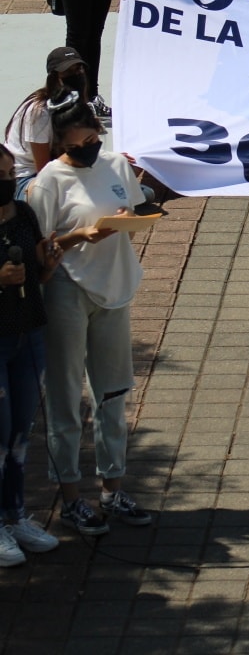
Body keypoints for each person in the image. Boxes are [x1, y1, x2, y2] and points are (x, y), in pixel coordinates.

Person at [27, 93, 151, 535]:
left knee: (113, 394)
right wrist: (82, 234)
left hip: (113, 289)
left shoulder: (116, 165)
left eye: (94, 138)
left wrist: (128, 218)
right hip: (67, 291)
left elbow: (136, 208)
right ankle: (72, 497)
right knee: (65, 397)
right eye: (79, 144)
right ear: (63, 144)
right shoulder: (49, 182)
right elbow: (41, 249)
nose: (90, 147)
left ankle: (112, 487)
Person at [0, 144, 62, 566]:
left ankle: (15, 514)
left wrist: (48, 265)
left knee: (21, 433)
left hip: (27, 333)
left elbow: (37, 271)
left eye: (8, 173)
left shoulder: (23, 215)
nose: (6, 182)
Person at [4, 47, 90, 200]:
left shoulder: (76, 104)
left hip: (65, 170)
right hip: (28, 178)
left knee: (136, 186)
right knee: (77, 200)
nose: (76, 75)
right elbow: (45, 171)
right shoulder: (40, 112)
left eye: (79, 69)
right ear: (54, 77)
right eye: (68, 72)